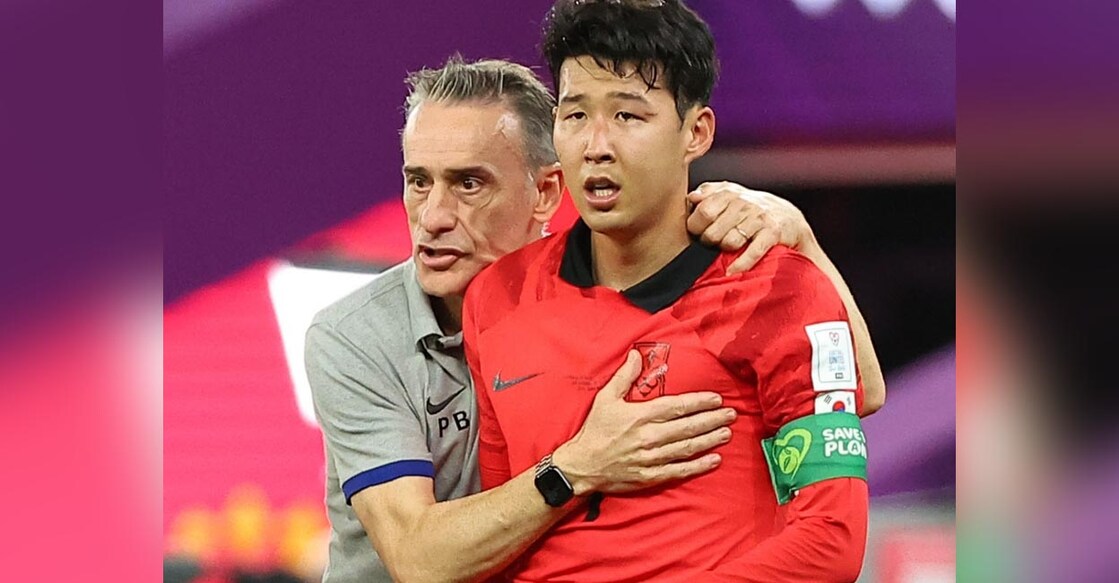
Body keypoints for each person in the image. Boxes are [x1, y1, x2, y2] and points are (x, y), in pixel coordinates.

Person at [308, 55, 881, 582]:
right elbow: (418, 560)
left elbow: (861, 387)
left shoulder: (595, 293)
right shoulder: (356, 337)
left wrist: (802, 241)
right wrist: (579, 466)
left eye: (468, 184)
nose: (433, 216)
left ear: (545, 192)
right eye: (418, 182)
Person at [463, 1, 874, 581]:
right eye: (575, 115)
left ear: (696, 132)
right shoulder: (497, 297)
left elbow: (831, 543)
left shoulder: (779, 290)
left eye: (628, 117)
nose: (596, 145)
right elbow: (500, 535)